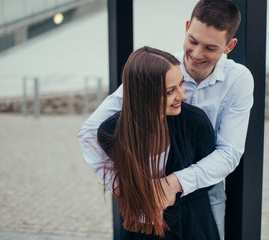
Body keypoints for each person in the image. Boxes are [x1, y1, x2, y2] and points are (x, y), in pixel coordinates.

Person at [78, 0, 254, 239]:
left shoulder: (239, 80)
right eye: (192, 41)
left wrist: (173, 184)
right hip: (148, 191)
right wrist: (124, 185)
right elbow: (89, 133)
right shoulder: (160, 68)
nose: (196, 54)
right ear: (186, 27)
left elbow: (229, 152)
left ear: (229, 46)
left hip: (204, 190)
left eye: (210, 48)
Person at [94, 46, 219, 239]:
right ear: (144, 94)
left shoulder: (195, 122)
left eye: (181, 83)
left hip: (190, 227)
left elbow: (211, 175)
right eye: (170, 91)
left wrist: (171, 191)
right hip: (138, 231)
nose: (182, 95)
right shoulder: (110, 133)